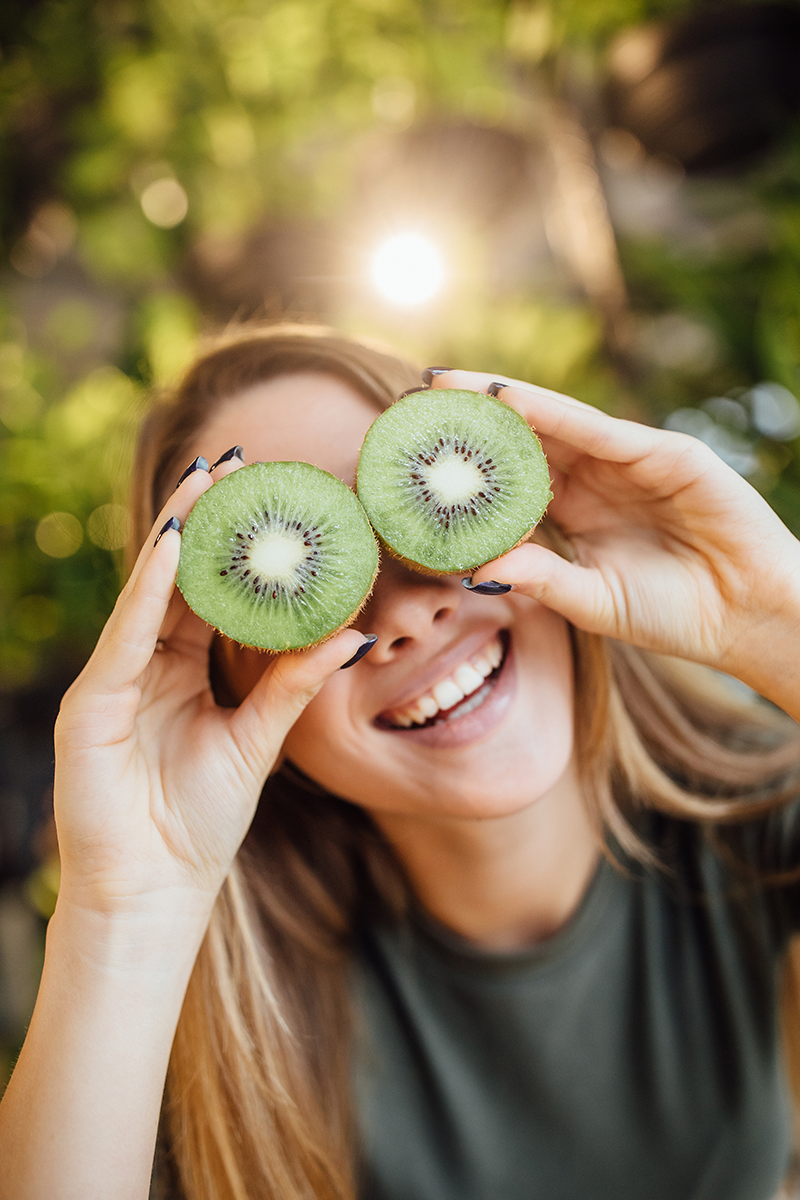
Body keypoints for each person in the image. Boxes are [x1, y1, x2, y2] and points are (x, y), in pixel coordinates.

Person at [3, 323, 800, 1200]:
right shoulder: (214, 1031)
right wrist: (125, 913)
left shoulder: (761, 827)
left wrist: (775, 623)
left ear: (513, 497)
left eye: (418, 516)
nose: (408, 618)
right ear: (230, 706)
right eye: (317, 588)